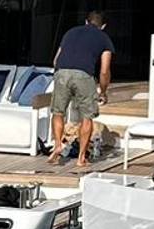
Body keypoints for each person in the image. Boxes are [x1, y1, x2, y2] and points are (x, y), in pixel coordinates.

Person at [48, 11, 114, 168]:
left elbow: (56, 60)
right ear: (103, 26)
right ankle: (81, 158)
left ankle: (58, 144)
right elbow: (104, 71)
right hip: (84, 75)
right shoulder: (104, 38)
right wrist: (103, 91)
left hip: (61, 72)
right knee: (87, 117)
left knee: (58, 112)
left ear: (86, 22)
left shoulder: (70, 32)